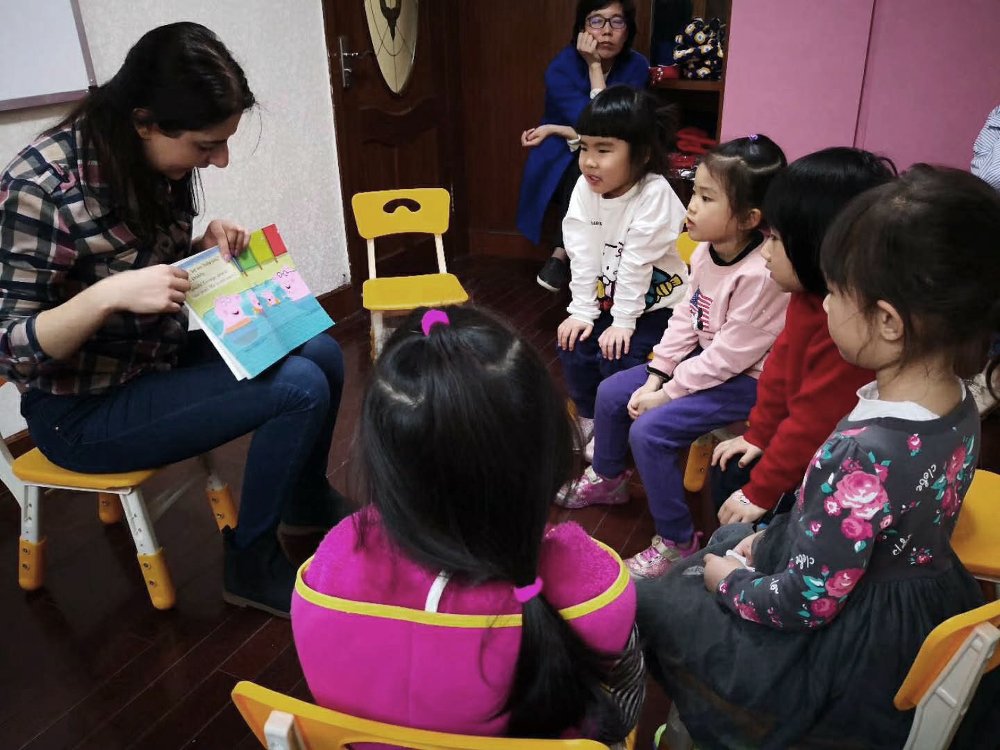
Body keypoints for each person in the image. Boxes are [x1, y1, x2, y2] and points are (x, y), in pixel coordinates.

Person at [636, 165, 1000, 748]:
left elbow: (804, 603)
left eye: (834, 291)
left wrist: (728, 582)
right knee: (733, 542)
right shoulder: (959, 403)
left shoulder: (862, 454)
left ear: (887, 321)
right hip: (917, 590)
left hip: (851, 634)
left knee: (658, 599)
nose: (823, 305)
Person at [0, 22, 345, 617]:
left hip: (148, 361)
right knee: (298, 388)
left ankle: (306, 499)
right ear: (145, 121)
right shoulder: (38, 189)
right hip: (79, 410)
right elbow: (11, 347)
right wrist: (104, 297)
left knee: (321, 348)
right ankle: (251, 562)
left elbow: (144, 265)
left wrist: (202, 249)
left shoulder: (152, 164)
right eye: (207, 146)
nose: (221, 160)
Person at [292, 306, 643, 744]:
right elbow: (619, 718)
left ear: (381, 462)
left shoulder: (333, 566)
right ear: (550, 454)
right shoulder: (594, 586)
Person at [557, 135, 788, 581]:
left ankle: (678, 541)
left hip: (747, 381)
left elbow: (728, 356)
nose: (692, 206)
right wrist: (656, 373)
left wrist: (667, 394)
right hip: (702, 363)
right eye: (694, 193)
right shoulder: (705, 250)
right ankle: (609, 480)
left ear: (748, 218)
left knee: (650, 432)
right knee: (610, 392)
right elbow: (687, 315)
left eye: (706, 197)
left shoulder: (761, 275)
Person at [712, 148, 897, 526]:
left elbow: (815, 423)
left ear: (824, 245)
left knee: (744, 497)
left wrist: (760, 492)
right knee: (730, 466)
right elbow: (779, 370)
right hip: (797, 441)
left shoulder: (848, 326)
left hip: (833, 466)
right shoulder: (804, 295)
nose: (765, 253)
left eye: (777, 240)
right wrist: (759, 433)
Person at [556, 85, 688, 446]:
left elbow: (635, 263)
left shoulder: (655, 193)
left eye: (604, 150)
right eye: (584, 147)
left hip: (658, 306)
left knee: (618, 353)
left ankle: (616, 424)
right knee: (572, 341)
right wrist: (582, 312)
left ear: (642, 155)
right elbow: (581, 254)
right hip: (610, 299)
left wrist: (624, 322)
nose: (589, 161)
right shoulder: (585, 189)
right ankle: (588, 415)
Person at [518, 0, 650, 292]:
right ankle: (563, 254)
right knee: (589, 160)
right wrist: (563, 130)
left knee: (601, 158)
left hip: (616, 146)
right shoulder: (561, 66)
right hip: (563, 152)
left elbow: (615, 125)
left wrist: (593, 66)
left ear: (628, 30)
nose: (606, 31)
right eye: (596, 21)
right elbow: (593, 126)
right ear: (581, 29)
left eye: (616, 22)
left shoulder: (637, 65)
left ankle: (565, 256)